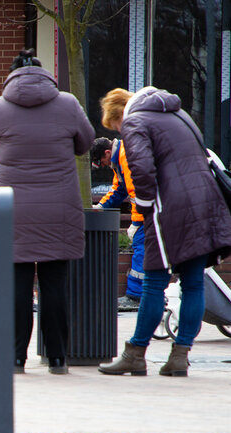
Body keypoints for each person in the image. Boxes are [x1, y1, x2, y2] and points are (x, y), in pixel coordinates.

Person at [97, 87, 231, 377]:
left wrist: (144, 208)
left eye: (115, 127)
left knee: (153, 283)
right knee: (194, 283)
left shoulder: (135, 121)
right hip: (205, 203)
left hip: (169, 210)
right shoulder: (178, 114)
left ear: (120, 115)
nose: (119, 132)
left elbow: (142, 171)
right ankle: (180, 356)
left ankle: (136, 354)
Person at [0, 49, 95, 375]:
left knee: (18, 286)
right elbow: (87, 142)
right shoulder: (69, 103)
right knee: (54, 286)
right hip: (58, 209)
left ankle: (16, 359)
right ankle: (58, 358)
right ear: (45, 75)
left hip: (11, 210)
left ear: (12, 75)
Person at [90, 137, 144, 310]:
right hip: (153, 210)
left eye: (101, 161)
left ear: (107, 152)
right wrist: (100, 206)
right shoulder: (120, 158)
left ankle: (136, 296)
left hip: (149, 213)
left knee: (141, 246)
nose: (103, 165)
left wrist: (136, 223)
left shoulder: (126, 155)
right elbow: (119, 189)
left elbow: (137, 193)